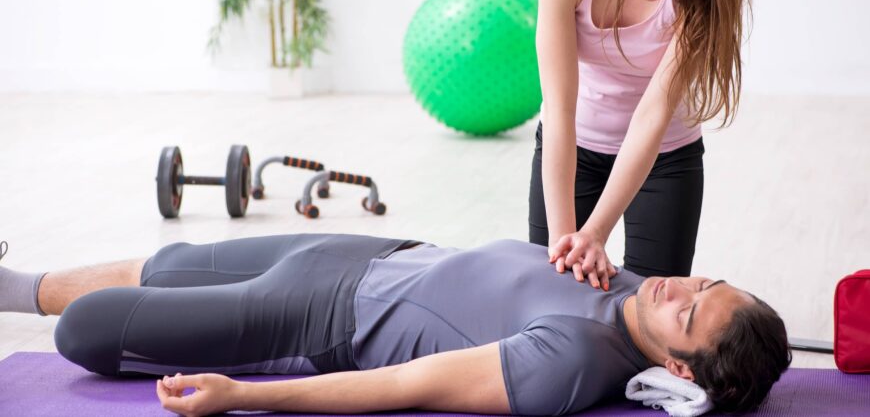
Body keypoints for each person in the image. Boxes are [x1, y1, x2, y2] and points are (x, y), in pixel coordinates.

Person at [0, 234, 790, 416]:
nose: (676, 288)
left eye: (689, 309)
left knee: (89, 332)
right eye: (705, 281)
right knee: (171, 261)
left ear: (682, 367)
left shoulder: (572, 363)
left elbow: (407, 385)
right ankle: (13, 285)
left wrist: (245, 394)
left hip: (317, 317)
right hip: (369, 249)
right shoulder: (620, 278)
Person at [530, 0, 755, 290]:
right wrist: (567, 244)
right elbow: (559, 108)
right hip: (573, 142)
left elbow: (653, 113)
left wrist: (595, 233)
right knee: (552, 289)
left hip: (665, 158)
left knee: (652, 316)